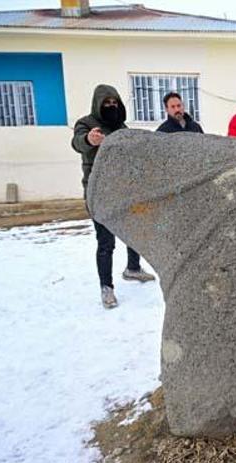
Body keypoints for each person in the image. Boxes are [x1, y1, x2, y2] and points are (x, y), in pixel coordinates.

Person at [71, 84, 155, 309]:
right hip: (98, 193)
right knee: (106, 242)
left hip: (123, 190)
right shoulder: (86, 124)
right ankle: (106, 288)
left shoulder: (121, 127)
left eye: (114, 102)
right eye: (106, 103)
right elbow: (78, 142)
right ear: (97, 104)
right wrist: (89, 140)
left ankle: (133, 268)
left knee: (133, 232)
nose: (110, 106)